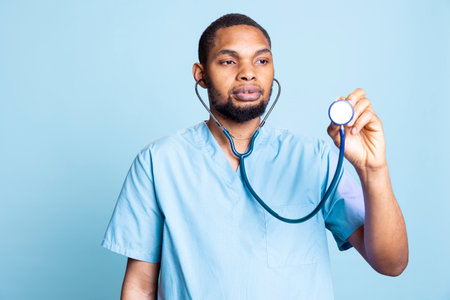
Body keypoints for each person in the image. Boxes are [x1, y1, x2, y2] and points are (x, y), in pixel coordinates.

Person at [101, 13, 408, 300]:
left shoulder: (314, 158)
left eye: (261, 60)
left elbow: (391, 263)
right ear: (201, 74)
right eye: (228, 61)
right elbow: (140, 286)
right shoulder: (158, 163)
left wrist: (373, 169)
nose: (248, 73)